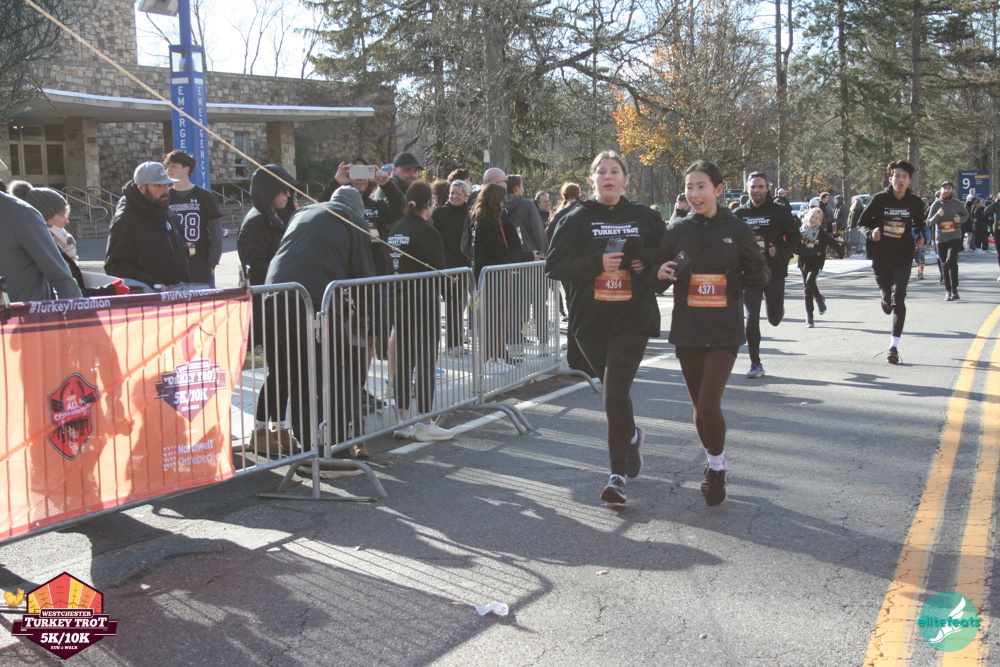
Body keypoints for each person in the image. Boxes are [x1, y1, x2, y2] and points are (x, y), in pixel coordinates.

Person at [546, 151, 665, 505]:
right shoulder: (575, 218)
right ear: (592, 179)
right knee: (616, 393)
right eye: (601, 172)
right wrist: (596, 262)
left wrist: (649, 262)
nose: (608, 177)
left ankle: (616, 476)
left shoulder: (644, 217)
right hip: (590, 322)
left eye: (615, 171)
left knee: (613, 394)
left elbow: (667, 254)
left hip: (632, 317)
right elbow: (554, 265)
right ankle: (631, 437)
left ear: (625, 180)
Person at [652, 160, 769, 507]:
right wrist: (659, 273)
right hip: (688, 329)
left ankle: (717, 470)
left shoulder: (737, 228)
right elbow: (656, 280)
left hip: (723, 331)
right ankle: (713, 462)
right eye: (689, 187)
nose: (694, 193)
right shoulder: (677, 230)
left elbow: (760, 271)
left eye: (701, 186)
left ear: (717, 189)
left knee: (708, 402)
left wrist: (745, 277)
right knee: (698, 407)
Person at [264, 186, 376, 449]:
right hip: (313, 299)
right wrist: (362, 324)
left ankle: (307, 448)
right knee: (331, 370)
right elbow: (364, 279)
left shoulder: (304, 212)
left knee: (299, 372)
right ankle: (334, 444)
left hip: (274, 293)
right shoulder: (354, 221)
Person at [237, 164, 300, 453]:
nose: (288, 195)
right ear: (269, 191)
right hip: (267, 306)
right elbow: (256, 269)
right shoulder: (256, 222)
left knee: (284, 371)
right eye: (283, 190)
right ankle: (261, 430)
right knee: (279, 371)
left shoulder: (275, 217)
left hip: (279, 304)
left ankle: (278, 427)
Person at [386, 181, 455, 442]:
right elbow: (440, 269)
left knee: (403, 363)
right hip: (422, 302)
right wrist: (451, 296)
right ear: (429, 203)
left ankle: (402, 421)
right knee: (425, 362)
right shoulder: (427, 231)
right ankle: (425, 422)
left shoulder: (396, 229)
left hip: (397, 301)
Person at [857, 159, 926, 364]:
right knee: (888, 303)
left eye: (904, 176)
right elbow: (861, 223)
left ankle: (893, 347)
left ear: (909, 180)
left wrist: (921, 236)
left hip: (904, 255)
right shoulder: (879, 199)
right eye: (897, 176)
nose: (900, 180)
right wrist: (871, 233)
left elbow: (920, 224)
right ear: (890, 178)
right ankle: (884, 298)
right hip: (881, 256)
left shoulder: (915, 203)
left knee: (899, 300)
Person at [734, 171, 801, 378]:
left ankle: (778, 310)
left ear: (767, 189)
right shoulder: (739, 214)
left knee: (774, 318)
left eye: (760, 187)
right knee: (751, 316)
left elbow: (795, 236)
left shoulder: (778, 211)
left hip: (774, 271)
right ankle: (755, 363)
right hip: (750, 272)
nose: (756, 191)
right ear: (747, 189)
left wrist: (779, 250)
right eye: (753, 187)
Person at [9, 182, 126, 297]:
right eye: (61, 215)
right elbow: (61, 292)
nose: (67, 221)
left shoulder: (56, 243)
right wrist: (107, 291)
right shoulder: (44, 248)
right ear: (46, 218)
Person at [469, 182, 540, 373]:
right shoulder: (486, 223)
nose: (505, 203)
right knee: (493, 321)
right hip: (491, 278)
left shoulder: (488, 220)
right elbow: (502, 253)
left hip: (492, 276)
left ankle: (496, 356)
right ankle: (490, 359)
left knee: (497, 320)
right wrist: (529, 256)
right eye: (503, 199)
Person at [105, 161, 191, 289]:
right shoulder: (126, 219)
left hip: (178, 293)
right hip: (149, 297)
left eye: (166, 185)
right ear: (142, 189)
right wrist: (153, 283)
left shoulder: (168, 213)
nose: (165, 190)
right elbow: (115, 266)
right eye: (158, 185)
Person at [0, 189, 82, 302]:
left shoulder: (21, 214)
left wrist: (76, 311)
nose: (66, 221)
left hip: (26, 311)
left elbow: (63, 280)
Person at [164, 150, 223, 285]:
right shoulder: (165, 196)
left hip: (198, 261)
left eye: (174, 166)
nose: (169, 170)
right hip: (173, 262)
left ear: (186, 169)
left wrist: (212, 263)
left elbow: (215, 232)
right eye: (167, 167)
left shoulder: (205, 196)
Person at [431, 179, 472, 354]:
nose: (455, 196)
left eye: (458, 194)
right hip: (444, 265)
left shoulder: (470, 213)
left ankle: (455, 342)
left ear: (466, 195)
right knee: (452, 304)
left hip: (462, 265)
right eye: (452, 193)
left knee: (458, 305)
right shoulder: (440, 213)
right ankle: (453, 344)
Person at [798, 207, 845, 327]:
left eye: (816, 218)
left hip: (816, 263)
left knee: (810, 281)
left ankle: (818, 299)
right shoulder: (800, 232)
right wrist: (813, 252)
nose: (813, 219)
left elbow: (832, 242)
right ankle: (809, 317)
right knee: (807, 291)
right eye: (812, 216)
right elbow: (796, 249)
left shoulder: (820, 233)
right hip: (804, 263)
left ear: (819, 221)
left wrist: (840, 253)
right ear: (807, 217)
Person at [926, 180, 967, 299]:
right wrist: (938, 215)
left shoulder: (957, 204)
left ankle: (954, 290)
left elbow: (966, 215)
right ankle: (948, 290)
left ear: (953, 190)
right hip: (941, 237)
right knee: (944, 263)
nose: (947, 190)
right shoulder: (936, 205)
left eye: (949, 188)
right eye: (945, 188)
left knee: (951, 260)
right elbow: (928, 222)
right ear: (941, 190)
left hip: (955, 235)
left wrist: (960, 219)